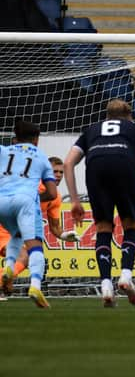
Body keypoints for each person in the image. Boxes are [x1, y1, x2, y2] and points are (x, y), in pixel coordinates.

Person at [64, 99, 135, 308]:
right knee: (131, 225)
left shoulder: (91, 130)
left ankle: (105, 285)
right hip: (124, 166)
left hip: (96, 169)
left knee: (103, 227)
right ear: (130, 116)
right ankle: (125, 276)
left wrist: (75, 200)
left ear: (106, 117)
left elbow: (68, 162)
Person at [0, 120, 57, 308]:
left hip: (2, 201)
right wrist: (34, 198)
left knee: (15, 234)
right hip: (25, 200)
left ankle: (8, 266)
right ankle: (35, 286)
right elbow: (51, 193)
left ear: (15, 139)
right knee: (35, 247)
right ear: (36, 140)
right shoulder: (41, 157)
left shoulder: (3, 151)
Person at [0, 156, 78, 292]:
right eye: (55, 171)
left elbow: (54, 227)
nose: (58, 175)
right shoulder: (27, 184)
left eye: (61, 172)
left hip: (15, 234)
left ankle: (4, 281)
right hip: (4, 229)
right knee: (25, 257)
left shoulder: (55, 197)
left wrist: (65, 235)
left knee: (24, 260)